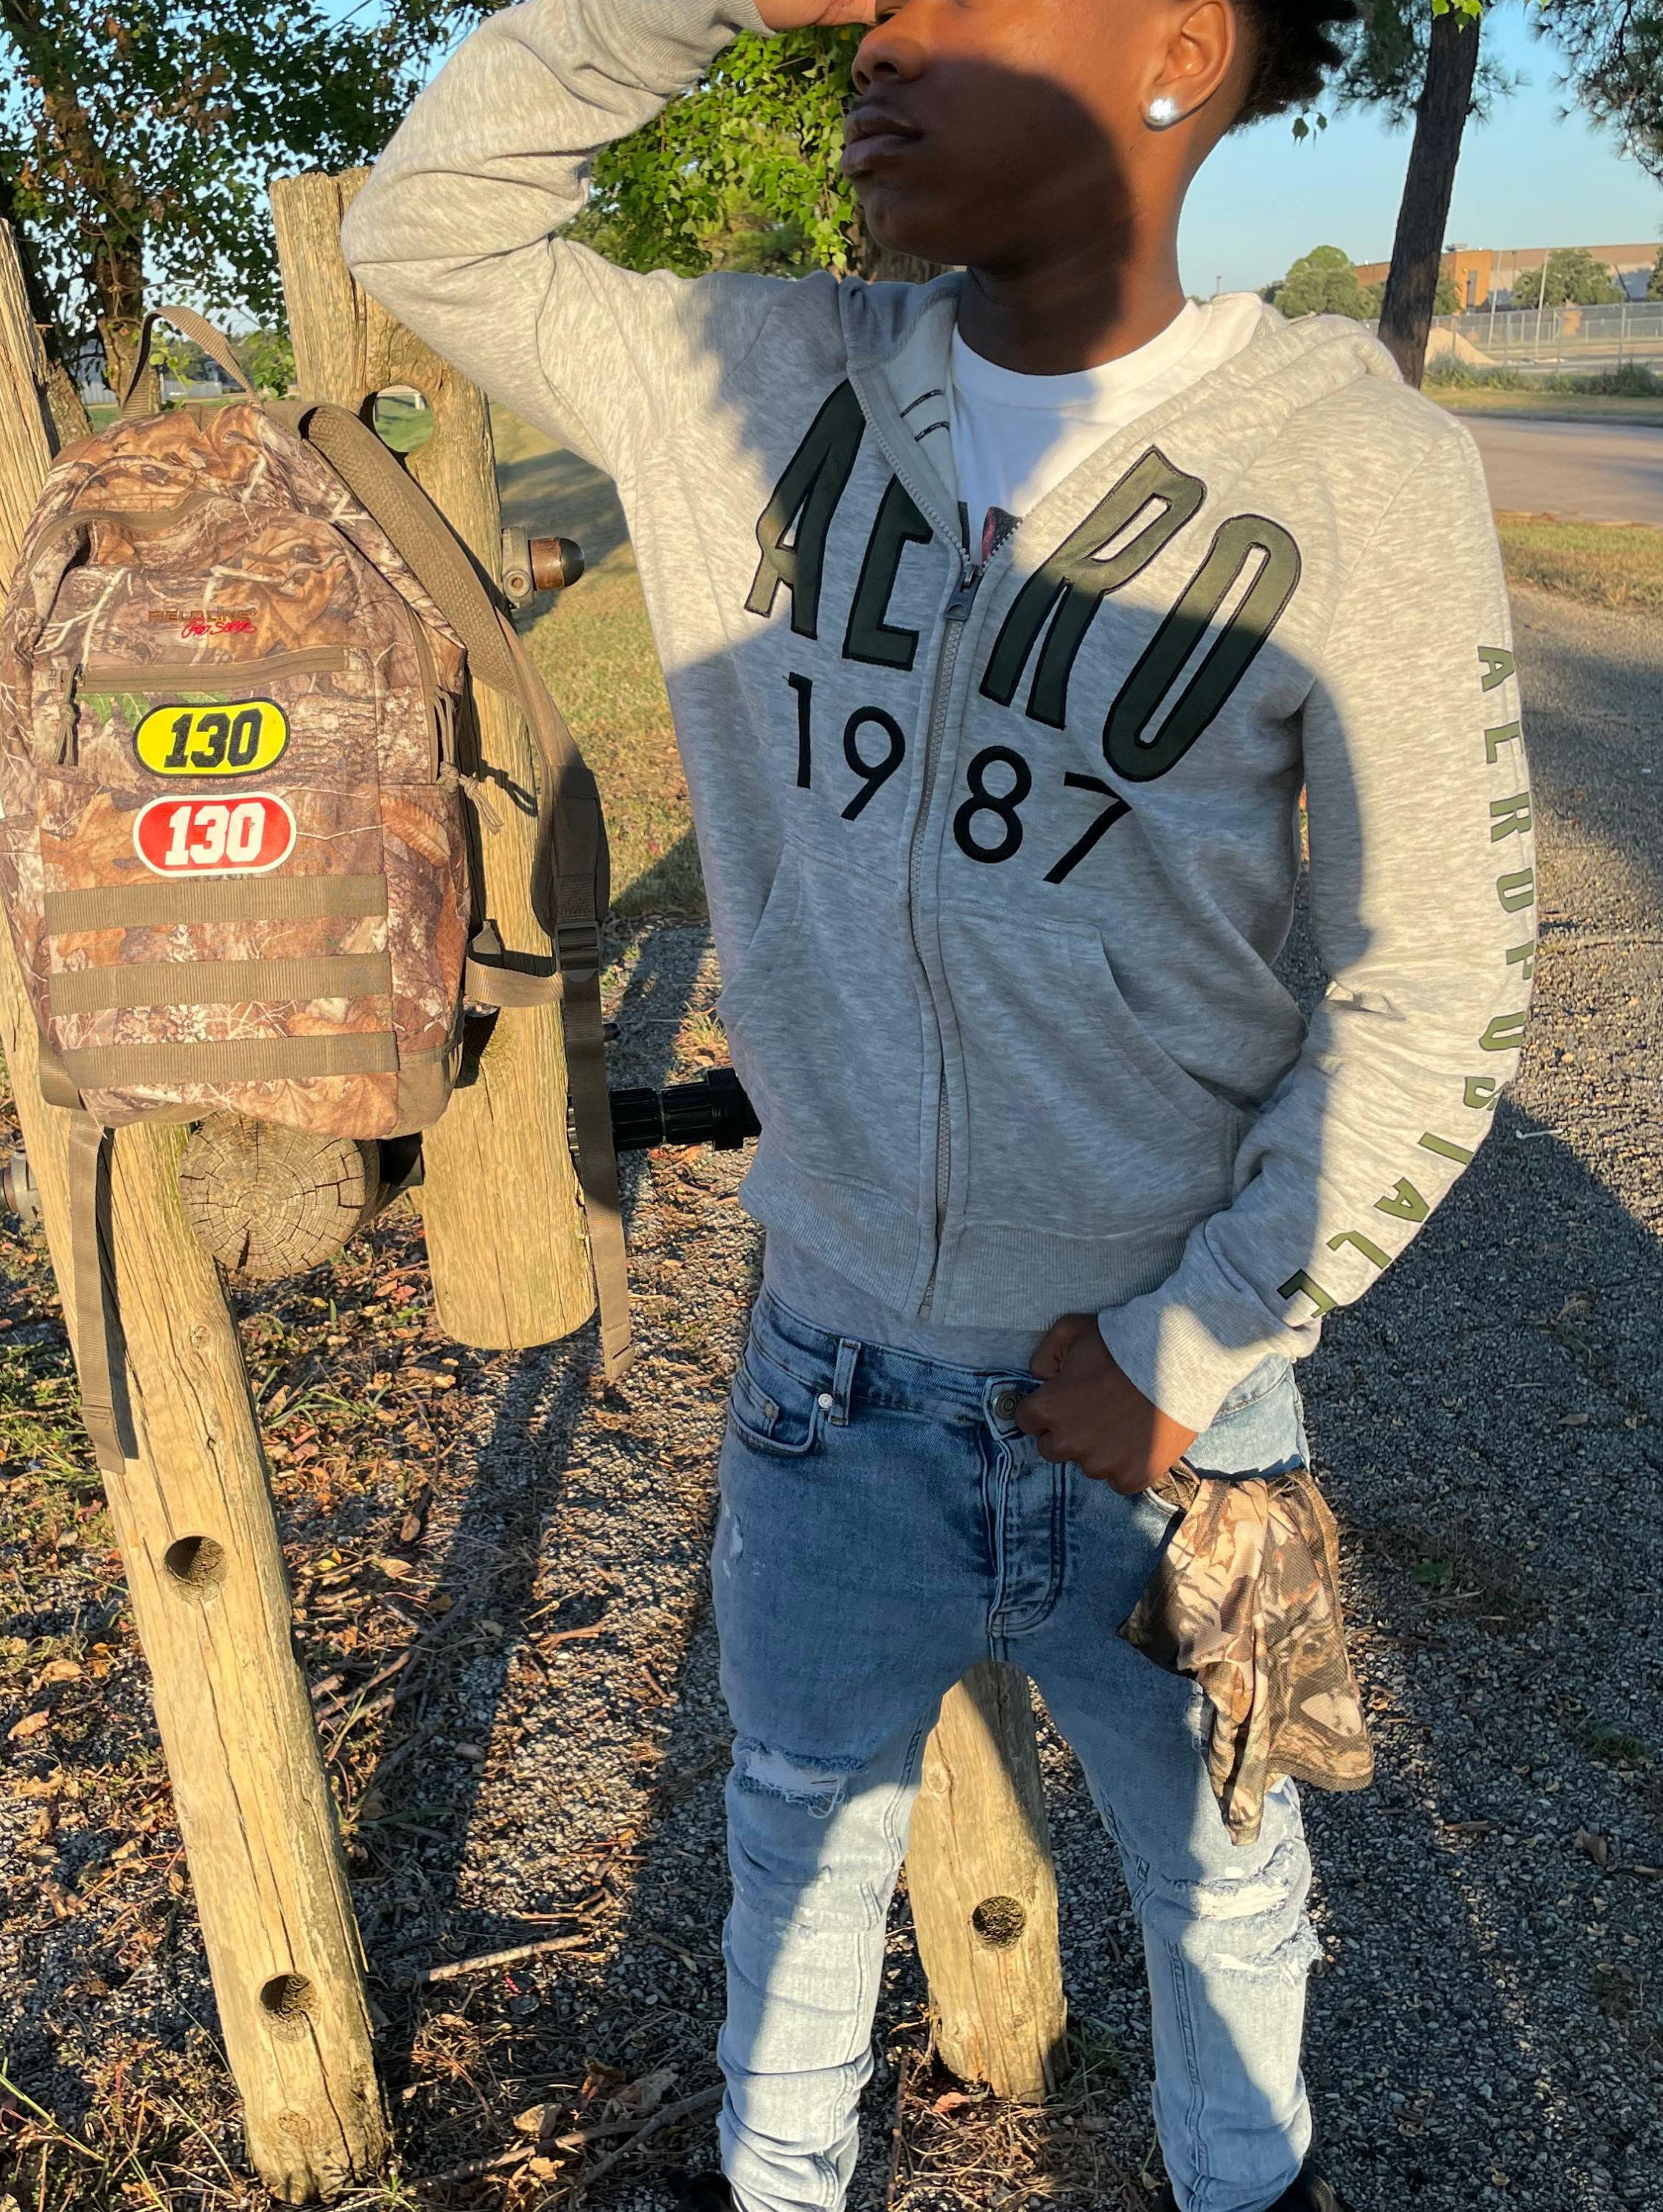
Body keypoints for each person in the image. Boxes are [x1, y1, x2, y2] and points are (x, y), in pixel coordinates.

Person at [343, 4, 1535, 2208]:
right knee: (793, 1865)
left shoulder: (1352, 467)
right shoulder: (749, 379)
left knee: (1228, 1883)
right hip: (828, 1388)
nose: (879, 46)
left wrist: (1197, 1339)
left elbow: (1439, 976)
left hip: (1181, 1424)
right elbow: (431, 227)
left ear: (1179, 47)